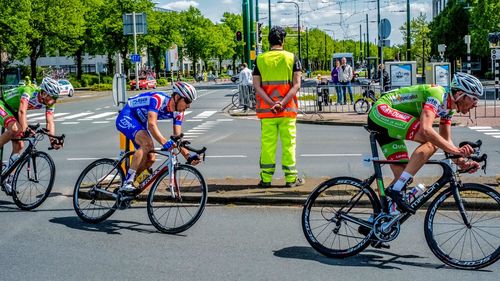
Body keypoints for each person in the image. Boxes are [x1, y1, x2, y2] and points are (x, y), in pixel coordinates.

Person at [367, 72, 482, 214]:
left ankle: (377, 221)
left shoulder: (448, 110)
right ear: (459, 94)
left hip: (390, 124)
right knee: (431, 141)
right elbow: (426, 130)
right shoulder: (437, 94)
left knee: (403, 176)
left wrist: (462, 162)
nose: (476, 104)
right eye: (474, 99)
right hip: (382, 110)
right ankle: (394, 191)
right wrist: (456, 150)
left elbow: (446, 141)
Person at [116, 82, 201, 192]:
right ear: (177, 97)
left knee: (151, 158)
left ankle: (132, 184)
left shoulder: (178, 113)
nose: (188, 106)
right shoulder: (157, 99)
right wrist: (165, 142)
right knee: (147, 144)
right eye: (187, 101)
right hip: (127, 115)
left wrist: (188, 157)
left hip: (139, 122)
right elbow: (152, 125)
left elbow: (177, 138)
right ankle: (127, 181)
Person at [253, 26, 304, 188]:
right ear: (283, 40)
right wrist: (281, 103)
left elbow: (257, 86)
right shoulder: (292, 58)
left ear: (269, 41)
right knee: (289, 144)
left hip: (267, 112)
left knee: (268, 145)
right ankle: (290, 179)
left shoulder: (260, 59)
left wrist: (271, 104)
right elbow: (296, 85)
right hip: (287, 111)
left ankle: (266, 179)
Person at [0, 77, 63, 193]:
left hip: (14, 109)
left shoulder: (49, 102)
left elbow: (50, 121)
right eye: (53, 97)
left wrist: (53, 139)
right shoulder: (29, 90)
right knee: (16, 129)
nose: (55, 101)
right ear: (44, 93)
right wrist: (25, 129)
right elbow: (22, 111)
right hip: (3, 104)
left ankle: (7, 178)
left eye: (56, 98)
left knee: (19, 145)